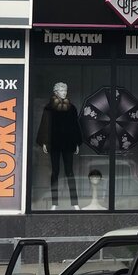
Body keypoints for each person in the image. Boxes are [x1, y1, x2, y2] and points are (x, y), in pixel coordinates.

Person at [36, 82, 82, 210]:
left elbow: (75, 126)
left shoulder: (72, 108)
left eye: (65, 90)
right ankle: (54, 203)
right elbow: (45, 125)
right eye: (61, 90)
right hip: (54, 143)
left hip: (68, 143)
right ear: (56, 92)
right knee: (55, 172)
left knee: (70, 172)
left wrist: (76, 142)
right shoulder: (49, 108)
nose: (64, 92)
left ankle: (75, 203)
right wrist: (44, 142)